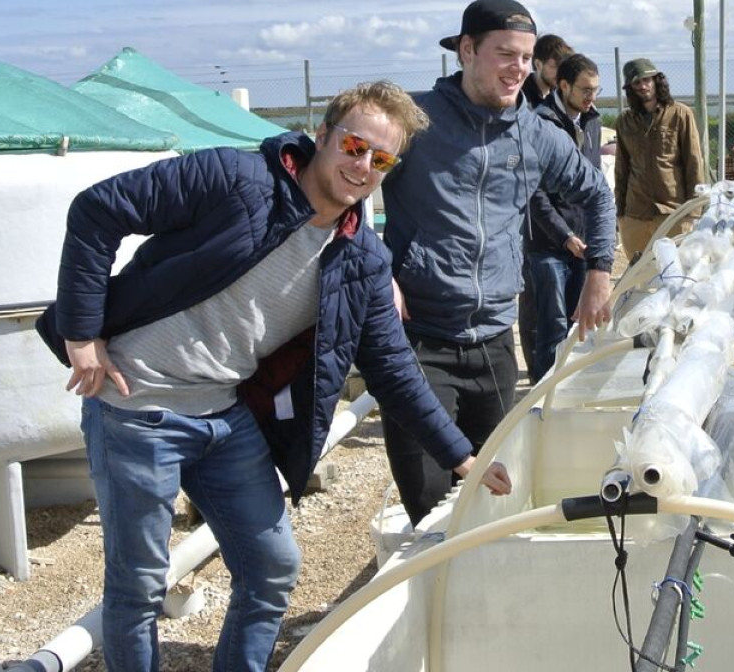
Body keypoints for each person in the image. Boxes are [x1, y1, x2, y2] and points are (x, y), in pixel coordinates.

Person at [36, 81, 513, 672]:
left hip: (224, 414)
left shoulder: (360, 258)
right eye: (355, 146)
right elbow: (97, 209)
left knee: (272, 567)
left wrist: (463, 457)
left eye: (382, 158)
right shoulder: (236, 180)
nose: (363, 166)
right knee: (138, 586)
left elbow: (390, 367)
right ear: (323, 137)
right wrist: (80, 334)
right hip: (139, 408)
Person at [381, 0, 615, 526]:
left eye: (528, 57)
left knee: (493, 497)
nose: (520, 69)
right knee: (430, 506)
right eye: (505, 54)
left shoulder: (535, 135)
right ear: (466, 51)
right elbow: (342, 188)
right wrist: (378, 273)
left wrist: (598, 272)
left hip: (493, 344)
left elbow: (598, 194)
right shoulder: (414, 124)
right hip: (419, 343)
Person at [522, 53, 609, 382]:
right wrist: (563, 235)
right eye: (585, 90)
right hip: (548, 243)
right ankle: (542, 399)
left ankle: (572, 388)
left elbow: (594, 183)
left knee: (580, 323)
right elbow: (534, 191)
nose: (592, 97)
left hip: (582, 241)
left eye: (596, 90)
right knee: (551, 326)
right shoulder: (540, 124)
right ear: (563, 86)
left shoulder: (593, 121)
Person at [614, 57, 704, 263]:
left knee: (677, 274)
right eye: (637, 82)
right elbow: (621, 169)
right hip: (636, 213)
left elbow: (694, 163)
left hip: (673, 211)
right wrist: (621, 213)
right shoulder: (624, 122)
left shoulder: (680, 114)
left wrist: (693, 211)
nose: (643, 86)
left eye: (647, 80)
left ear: (657, 81)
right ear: (630, 88)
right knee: (639, 277)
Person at [523, 33, 572, 107]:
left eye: (563, 67)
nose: (561, 72)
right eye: (555, 66)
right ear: (538, 65)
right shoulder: (519, 96)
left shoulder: (562, 98)